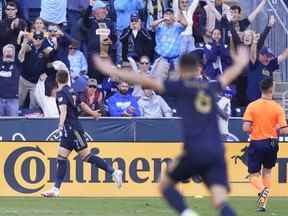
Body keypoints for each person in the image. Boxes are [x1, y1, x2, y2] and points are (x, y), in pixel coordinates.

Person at [94, 46, 249, 216]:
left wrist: (110, 69)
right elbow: (228, 75)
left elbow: (143, 79)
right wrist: (241, 62)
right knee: (220, 201)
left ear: (180, 69)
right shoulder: (211, 86)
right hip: (216, 150)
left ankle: (187, 213)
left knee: (165, 185)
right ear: (199, 69)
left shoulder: (180, 86)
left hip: (195, 150)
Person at [41, 70, 123, 197]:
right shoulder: (72, 91)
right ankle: (56, 189)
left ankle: (113, 172)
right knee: (62, 158)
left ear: (57, 81)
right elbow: (82, 104)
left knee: (86, 157)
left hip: (71, 129)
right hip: (73, 128)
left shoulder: (61, 93)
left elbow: (64, 111)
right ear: (67, 79)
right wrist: (93, 113)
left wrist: (60, 125)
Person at [242, 78, 288, 212]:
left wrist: (255, 128)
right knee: (267, 172)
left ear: (261, 89)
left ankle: (262, 190)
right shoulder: (277, 107)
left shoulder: (252, 106)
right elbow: (284, 130)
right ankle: (262, 204)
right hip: (272, 142)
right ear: (271, 89)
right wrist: (277, 128)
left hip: (257, 142)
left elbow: (245, 128)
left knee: (253, 174)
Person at [18, 31, 55, 109]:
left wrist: (46, 73)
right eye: (35, 38)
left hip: (36, 82)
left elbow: (51, 63)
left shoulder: (46, 50)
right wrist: (25, 40)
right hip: (23, 80)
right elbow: (20, 57)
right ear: (33, 38)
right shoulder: (29, 46)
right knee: (18, 102)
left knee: (34, 105)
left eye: (40, 38)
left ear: (43, 39)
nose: (37, 39)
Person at [82, 0, 116, 82]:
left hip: (106, 56)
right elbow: (85, 18)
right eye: (102, 8)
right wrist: (90, 6)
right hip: (94, 58)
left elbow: (114, 38)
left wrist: (110, 42)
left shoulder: (109, 23)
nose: (105, 10)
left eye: (105, 8)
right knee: (94, 80)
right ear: (96, 11)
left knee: (105, 80)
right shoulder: (90, 22)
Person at [151, 8, 187, 80]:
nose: (168, 16)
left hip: (175, 59)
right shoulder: (160, 26)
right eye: (166, 14)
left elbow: (185, 24)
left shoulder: (177, 26)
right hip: (162, 59)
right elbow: (152, 25)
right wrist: (163, 19)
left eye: (170, 14)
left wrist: (176, 18)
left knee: (174, 82)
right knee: (159, 82)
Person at [114, 0, 144, 67]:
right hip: (122, 28)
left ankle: (136, 67)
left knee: (136, 48)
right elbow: (120, 7)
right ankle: (120, 67)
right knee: (120, 49)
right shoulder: (117, 1)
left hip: (134, 27)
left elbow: (141, 6)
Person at [0, 44, 20, 116]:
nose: (8, 53)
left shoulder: (18, 64)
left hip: (13, 100)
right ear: (3, 53)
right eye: (6, 51)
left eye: (10, 52)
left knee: (13, 124)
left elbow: (22, 54)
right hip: (0, 98)